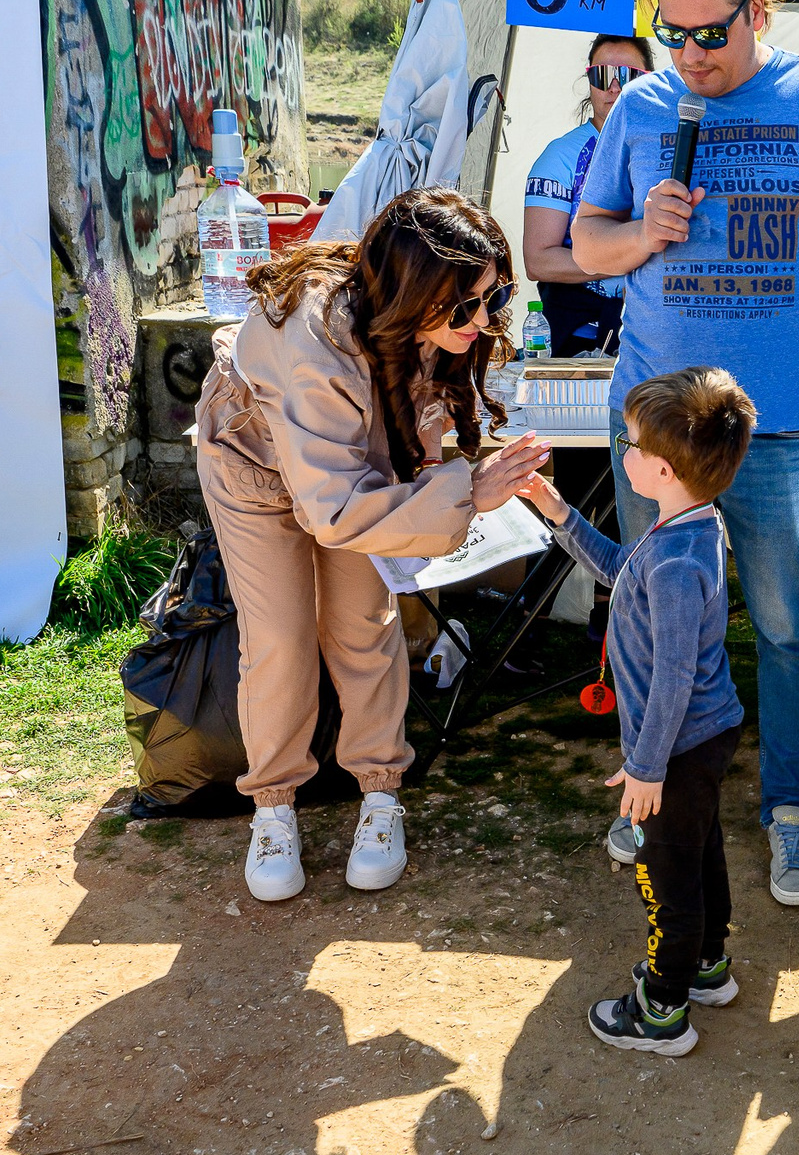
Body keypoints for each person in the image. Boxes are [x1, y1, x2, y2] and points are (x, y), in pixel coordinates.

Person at [573, 0, 799, 909]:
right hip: (654, 426)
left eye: (710, 34)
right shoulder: (639, 107)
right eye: (672, 35)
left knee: (783, 624)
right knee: (653, 615)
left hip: (779, 424)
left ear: (760, 11)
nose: (689, 56)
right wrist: (640, 232)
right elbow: (585, 245)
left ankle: (789, 811)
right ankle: (650, 790)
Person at [198, 190, 548, 903]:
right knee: (279, 638)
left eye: (496, 297)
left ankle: (381, 794)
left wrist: (443, 492)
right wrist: (464, 497)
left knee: (364, 623)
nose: (483, 321)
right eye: (463, 307)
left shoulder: (428, 323)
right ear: (414, 289)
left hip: (354, 473)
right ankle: (272, 807)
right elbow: (332, 509)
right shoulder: (315, 335)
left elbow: (399, 447)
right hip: (254, 467)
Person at [515, 369, 756, 1056]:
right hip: (702, 737)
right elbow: (623, 569)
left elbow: (675, 676)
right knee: (700, 850)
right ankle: (707, 965)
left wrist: (645, 769)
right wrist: (559, 511)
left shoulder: (679, 561)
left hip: (677, 746)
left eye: (631, 442)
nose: (623, 449)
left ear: (663, 468)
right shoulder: (684, 526)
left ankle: (662, 1007)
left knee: (665, 874)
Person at [520, 33, 654, 357]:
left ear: (651, 81)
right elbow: (537, 260)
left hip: (655, 333)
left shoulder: (672, 150)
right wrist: (630, 253)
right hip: (579, 338)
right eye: (603, 75)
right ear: (589, 78)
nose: (614, 87)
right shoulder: (561, 156)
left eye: (629, 76)